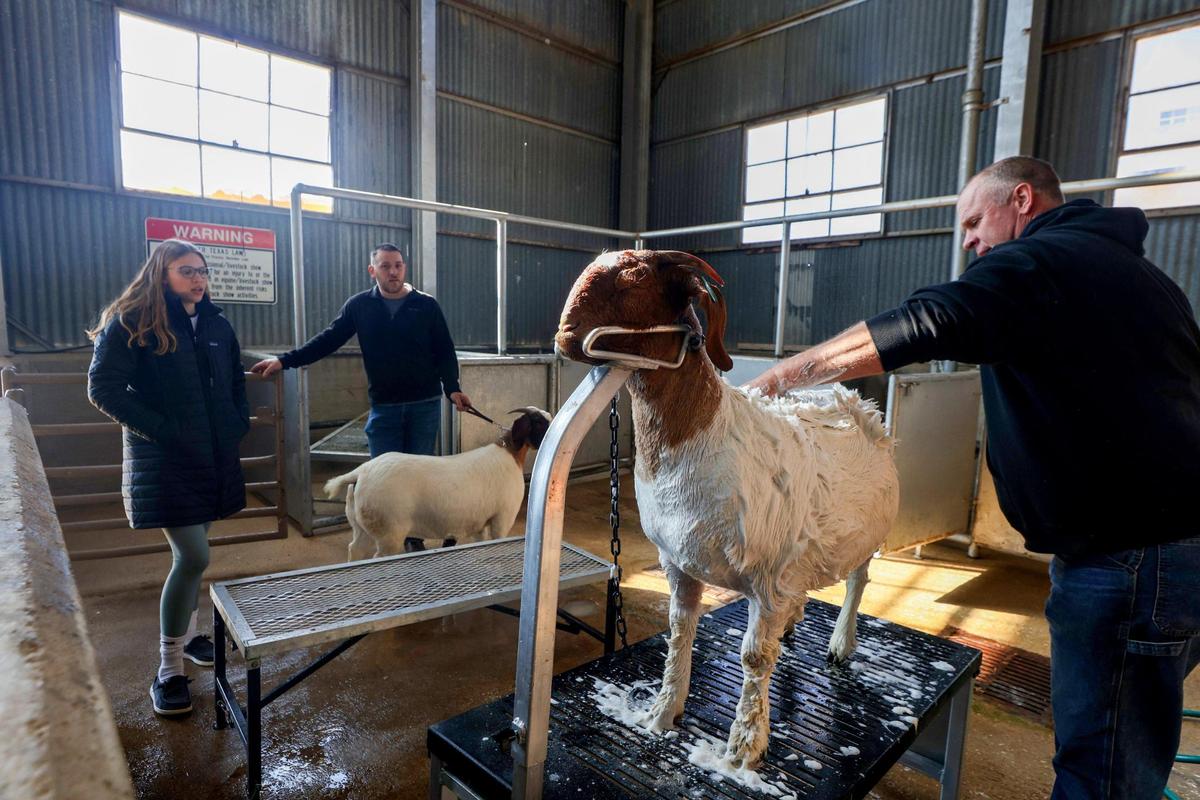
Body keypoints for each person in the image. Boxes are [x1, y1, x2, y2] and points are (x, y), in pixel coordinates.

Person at [746, 155, 1200, 799]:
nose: (968, 240)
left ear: (1022, 199)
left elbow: (932, 318)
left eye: (973, 219)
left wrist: (775, 380)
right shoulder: (1143, 278)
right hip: (1173, 554)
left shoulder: (1043, 262)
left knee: (1101, 774)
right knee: (1127, 750)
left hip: (1129, 563)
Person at [87, 238, 251, 718]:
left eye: (202, 271)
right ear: (162, 273)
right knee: (193, 555)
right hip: (166, 460)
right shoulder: (133, 322)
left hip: (212, 456)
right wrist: (162, 431)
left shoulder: (217, 323)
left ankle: (191, 634)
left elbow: (235, 381)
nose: (198, 279)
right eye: (187, 271)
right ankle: (168, 669)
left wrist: (236, 421)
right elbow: (103, 388)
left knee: (195, 557)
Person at [250, 243, 470, 551]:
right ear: (373, 270)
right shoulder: (359, 306)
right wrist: (286, 360)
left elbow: (444, 350)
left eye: (398, 265)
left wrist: (453, 387)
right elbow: (329, 339)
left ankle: (413, 537)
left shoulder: (426, 305)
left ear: (404, 267)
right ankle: (382, 534)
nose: (393, 271)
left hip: (425, 404)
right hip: (385, 406)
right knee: (382, 477)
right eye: (385, 266)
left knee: (420, 476)